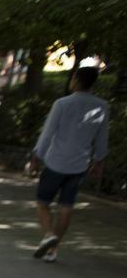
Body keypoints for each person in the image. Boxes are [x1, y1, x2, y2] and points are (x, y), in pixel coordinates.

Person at [29, 65, 110, 263]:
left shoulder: (62, 104)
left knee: (42, 203)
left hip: (56, 161)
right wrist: (98, 160)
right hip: (80, 164)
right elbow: (101, 138)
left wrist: (36, 156)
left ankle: (49, 235)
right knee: (66, 207)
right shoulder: (102, 106)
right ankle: (53, 251)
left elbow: (48, 133)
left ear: (76, 79)